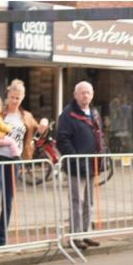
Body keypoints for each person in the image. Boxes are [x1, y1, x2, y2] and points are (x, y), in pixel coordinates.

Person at [0, 79, 46, 248]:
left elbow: (38, 134)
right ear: (7, 95)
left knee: (8, 200)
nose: (14, 100)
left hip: (14, 159)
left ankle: (2, 240)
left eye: (18, 97)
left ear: (22, 98)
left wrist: (43, 125)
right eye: (12, 97)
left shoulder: (26, 116)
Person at [56, 81, 105, 250]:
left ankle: (86, 233)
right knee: (77, 201)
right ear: (75, 95)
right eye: (82, 92)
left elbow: (99, 136)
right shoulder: (68, 114)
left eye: (88, 93)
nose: (85, 95)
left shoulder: (94, 112)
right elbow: (62, 139)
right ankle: (76, 236)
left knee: (88, 201)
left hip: (91, 164)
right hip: (76, 165)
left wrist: (101, 156)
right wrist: (76, 157)